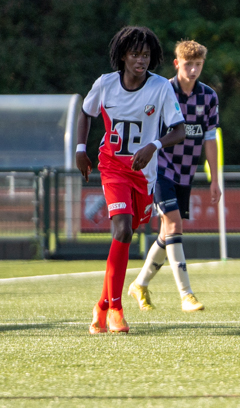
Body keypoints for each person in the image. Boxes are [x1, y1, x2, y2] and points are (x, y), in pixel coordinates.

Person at [76, 26, 185, 334]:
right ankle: (116, 309)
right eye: (135, 54)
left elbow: (179, 130)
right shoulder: (106, 84)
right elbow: (86, 113)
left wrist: (154, 145)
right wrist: (81, 149)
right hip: (112, 168)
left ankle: (100, 306)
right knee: (122, 228)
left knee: (127, 233)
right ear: (123, 55)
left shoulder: (161, 88)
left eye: (146, 54)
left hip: (143, 176)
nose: (141, 60)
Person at [129, 40, 221, 312]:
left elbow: (210, 138)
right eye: (188, 64)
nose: (193, 70)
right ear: (177, 63)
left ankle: (139, 284)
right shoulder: (162, 91)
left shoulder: (209, 97)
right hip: (159, 170)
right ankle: (186, 294)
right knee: (175, 225)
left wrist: (214, 178)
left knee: (168, 231)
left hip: (186, 173)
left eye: (198, 65)